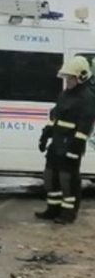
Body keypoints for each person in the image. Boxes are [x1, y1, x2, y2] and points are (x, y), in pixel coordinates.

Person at [35, 56, 95, 224]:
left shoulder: (88, 98)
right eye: (66, 77)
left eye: (71, 77)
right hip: (57, 144)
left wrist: (75, 147)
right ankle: (52, 209)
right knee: (50, 177)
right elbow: (55, 117)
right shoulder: (64, 95)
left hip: (71, 145)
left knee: (68, 181)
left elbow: (85, 126)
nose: (67, 81)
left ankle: (68, 214)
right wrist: (46, 134)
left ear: (81, 77)